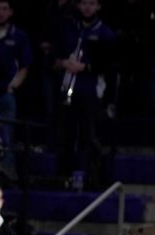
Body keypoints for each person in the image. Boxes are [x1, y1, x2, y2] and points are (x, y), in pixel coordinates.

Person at [54, 0, 115, 189]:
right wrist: (64, 63)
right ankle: (63, 178)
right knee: (65, 136)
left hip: (91, 92)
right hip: (68, 91)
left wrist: (86, 66)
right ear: (78, 6)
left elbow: (110, 66)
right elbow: (54, 57)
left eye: (92, 3)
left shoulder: (105, 33)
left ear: (98, 6)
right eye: (84, 3)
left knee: (90, 137)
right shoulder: (69, 29)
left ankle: (94, 179)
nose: (87, 8)